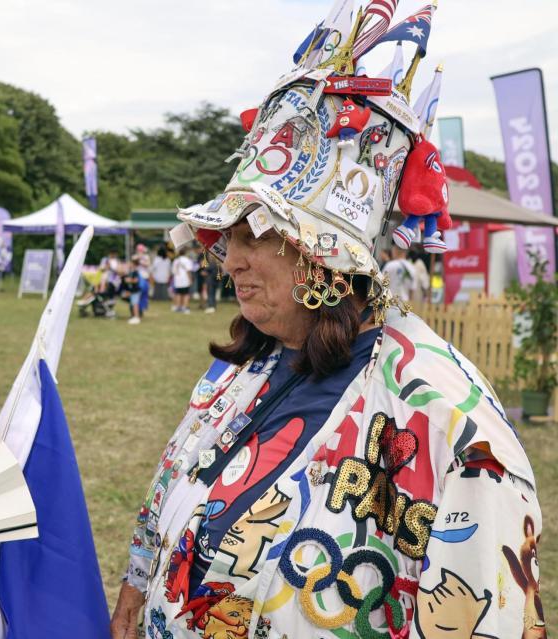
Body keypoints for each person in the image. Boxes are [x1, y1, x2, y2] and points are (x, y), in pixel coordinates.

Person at [111, 18, 542, 637]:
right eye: (226, 237)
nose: (231, 258)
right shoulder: (247, 365)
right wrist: (136, 586)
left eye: (254, 234)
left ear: (325, 255)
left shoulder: (452, 421)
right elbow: (169, 490)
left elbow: (483, 612)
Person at [171, 248, 194, 313]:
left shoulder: (176, 260)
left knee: (178, 293)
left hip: (177, 280)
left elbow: (173, 271)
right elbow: (188, 271)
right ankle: (185, 307)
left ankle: (178, 307)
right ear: (185, 253)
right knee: (186, 294)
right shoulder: (187, 260)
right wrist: (190, 279)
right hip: (185, 280)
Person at [121, 256, 143, 325]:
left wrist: (129, 280)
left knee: (135, 304)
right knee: (133, 304)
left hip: (135, 291)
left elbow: (136, 280)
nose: (129, 264)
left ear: (133, 264)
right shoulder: (130, 272)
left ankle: (136, 317)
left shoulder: (135, 272)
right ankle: (134, 316)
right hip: (132, 291)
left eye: (130, 263)